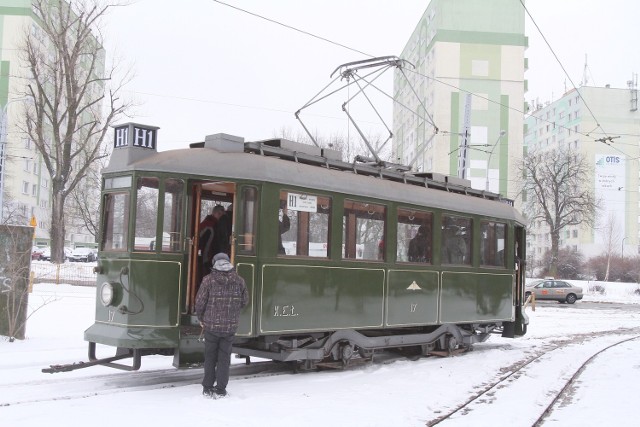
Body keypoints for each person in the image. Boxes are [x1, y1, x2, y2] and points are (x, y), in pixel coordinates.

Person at [195, 252, 248, 398]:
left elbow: (200, 302)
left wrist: (200, 317)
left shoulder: (208, 280)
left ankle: (207, 387)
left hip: (211, 326)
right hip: (230, 327)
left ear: (214, 263)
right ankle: (221, 389)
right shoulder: (239, 280)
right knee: (224, 358)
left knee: (210, 357)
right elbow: (244, 301)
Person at [199, 205, 225, 272]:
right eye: (219, 214)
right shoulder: (208, 225)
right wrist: (205, 259)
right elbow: (202, 243)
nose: (220, 216)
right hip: (207, 258)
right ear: (213, 213)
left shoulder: (217, 225)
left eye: (222, 215)